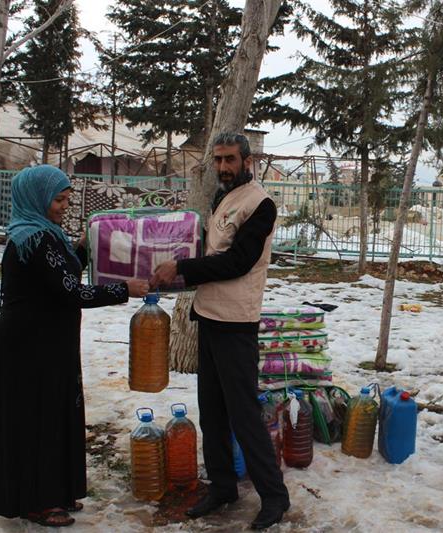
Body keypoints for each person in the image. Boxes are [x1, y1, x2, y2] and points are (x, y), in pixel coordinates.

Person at [0, 165, 149, 527]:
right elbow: (71, 291)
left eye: (66, 199)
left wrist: (86, 245)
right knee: (35, 419)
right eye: (58, 200)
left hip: (47, 341)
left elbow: (63, 272)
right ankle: (36, 502)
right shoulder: (35, 238)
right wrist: (124, 289)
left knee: (55, 413)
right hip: (27, 346)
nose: (63, 206)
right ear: (37, 198)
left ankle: (54, 491)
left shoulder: (45, 234)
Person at [151, 132, 290, 530]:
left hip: (236, 324)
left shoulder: (260, 205)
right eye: (218, 160)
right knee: (211, 413)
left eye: (230, 159)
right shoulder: (222, 197)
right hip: (209, 317)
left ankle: (275, 498)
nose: (223, 167)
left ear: (248, 161)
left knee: (243, 416)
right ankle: (223, 487)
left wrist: (181, 268)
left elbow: (236, 263)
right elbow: (211, 251)